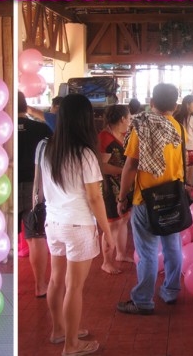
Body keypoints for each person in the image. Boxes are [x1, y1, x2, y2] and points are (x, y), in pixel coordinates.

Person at [40, 93, 113, 356]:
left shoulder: (47, 148)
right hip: (78, 226)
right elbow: (94, 198)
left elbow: (43, 189)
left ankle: (59, 330)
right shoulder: (85, 154)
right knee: (74, 287)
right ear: (84, 120)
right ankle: (72, 345)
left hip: (54, 223)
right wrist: (107, 231)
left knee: (56, 280)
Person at [116, 83, 185, 315]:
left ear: (151, 103)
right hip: (172, 197)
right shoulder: (177, 127)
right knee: (172, 247)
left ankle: (143, 300)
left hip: (145, 199)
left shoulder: (141, 127)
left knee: (147, 252)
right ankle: (171, 291)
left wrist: (122, 196)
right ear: (175, 106)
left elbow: (131, 165)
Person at [18, 92, 52, 298]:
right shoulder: (41, 129)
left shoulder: (5, 127)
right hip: (36, 187)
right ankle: (40, 285)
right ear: (26, 105)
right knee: (36, 237)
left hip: (6, 186)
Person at [98, 104, 134, 274]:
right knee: (112, 225)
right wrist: (124, 171)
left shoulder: (126, 135)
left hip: (124, 185)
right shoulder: (105, 138)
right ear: (122, 119)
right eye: (129, 117)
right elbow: (102, 167)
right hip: (109, 187)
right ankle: (107, 262)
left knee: (124, 220)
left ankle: (120, 254)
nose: (130, 121)